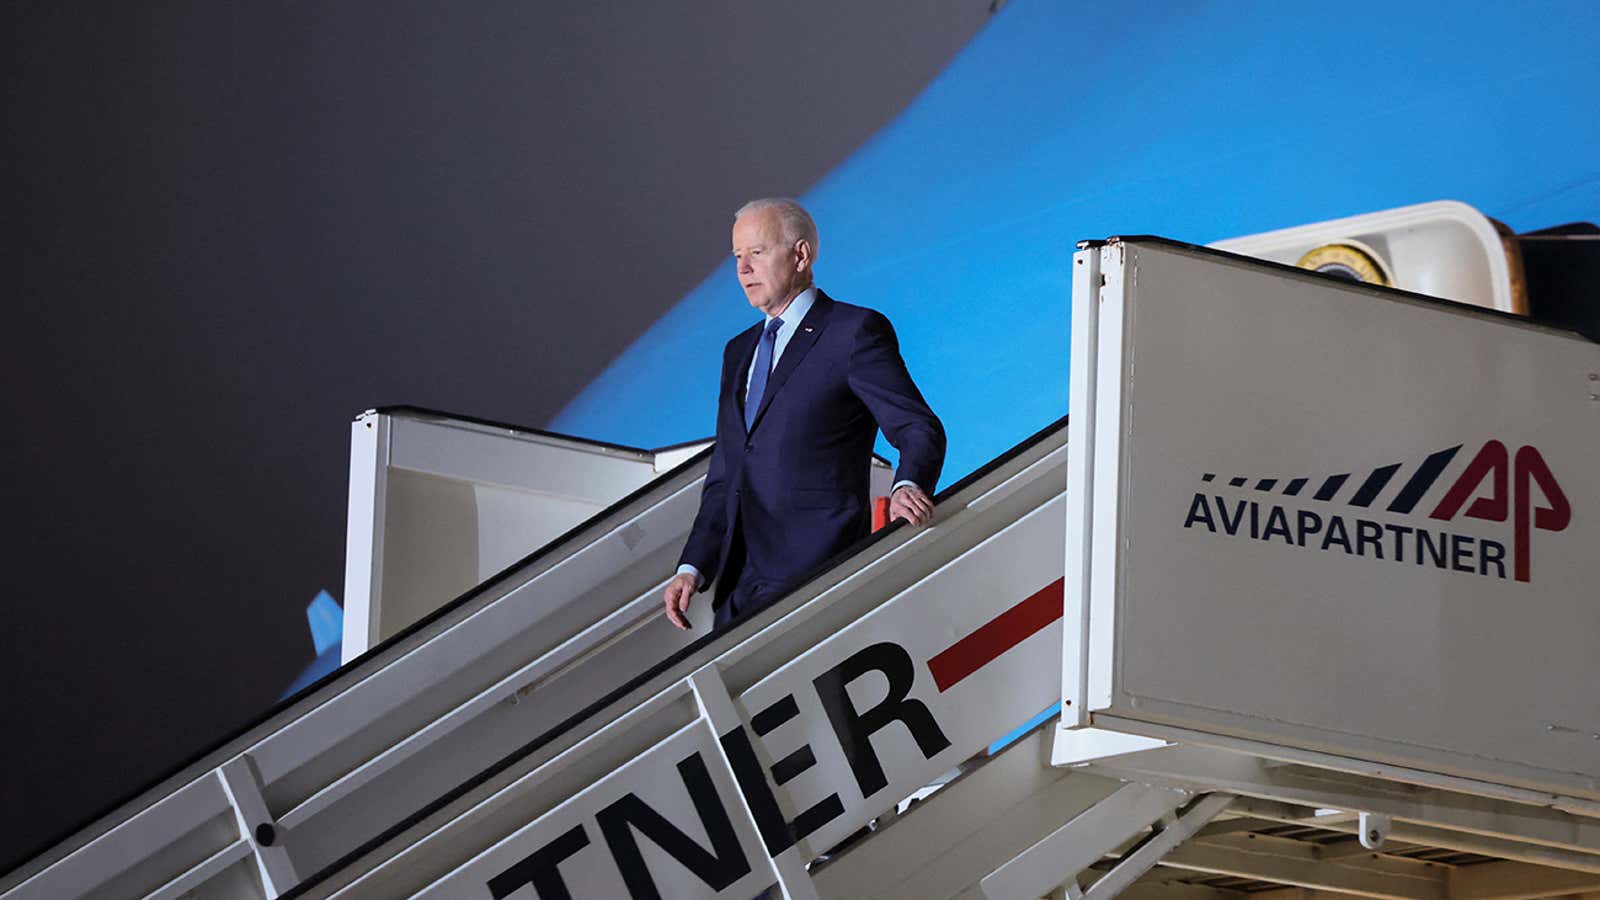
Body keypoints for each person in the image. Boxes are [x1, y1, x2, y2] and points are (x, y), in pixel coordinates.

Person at [663, 198, 945, 630]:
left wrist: (909, 483)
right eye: (737, 257)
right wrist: (692, 567)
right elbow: (726, 474)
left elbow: (916, 426)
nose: (742, 270)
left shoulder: (852, 332)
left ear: (801, 255)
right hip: (738, 588)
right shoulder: (737, 352)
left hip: (815, 574)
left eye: (756, 252)